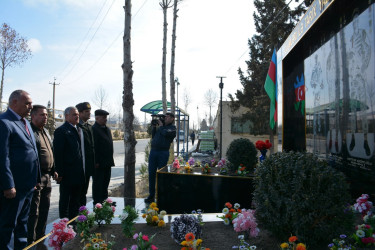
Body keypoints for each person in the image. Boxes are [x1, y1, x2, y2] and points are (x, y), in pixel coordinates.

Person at [0, 90, 40, 249]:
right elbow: (3, 157)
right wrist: (8, 185)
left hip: (27, 185)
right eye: (27, 103)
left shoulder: (25, 122)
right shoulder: (4, 122)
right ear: (14, 102)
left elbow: (32, 152)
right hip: (14, 188)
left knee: (22, 224)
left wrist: (35, 179)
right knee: (8, 225)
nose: (31, 106)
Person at [27, 105, 58, 245]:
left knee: (44, 208)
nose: (45, 117)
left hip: (47, 177)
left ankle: (40, 237)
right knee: (34, 211)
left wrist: (53, 170)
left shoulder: (45, 131)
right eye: (41, 115)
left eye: (46, 115)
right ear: (33, 116)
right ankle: (31, 240)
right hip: (36, 178)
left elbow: (50, 152)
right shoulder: (29, 131)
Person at [53, 107, 85, 220]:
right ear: (66, 116)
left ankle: (73, 222)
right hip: (67, 174)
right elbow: (58, 154)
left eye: (77, 114)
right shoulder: (61, 131)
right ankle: (64, 224)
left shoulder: (78, 129)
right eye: (73, 114)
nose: (77, 116)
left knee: (75, 201)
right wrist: (60, 173)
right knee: (65, 201)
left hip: (78, 173)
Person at [145, 112, 176, 203]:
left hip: (163, 152)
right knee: (151, 174)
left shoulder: (172, 128)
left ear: (172, 119)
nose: (165, 118)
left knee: (161, 175)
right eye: (164, 116)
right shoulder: (161, 127)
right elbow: (154, 136)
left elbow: (166, 134)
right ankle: (151, 196)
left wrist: (161, 126)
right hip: (153, 152)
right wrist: (154, 127)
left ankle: (161, 196)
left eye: (167, 117)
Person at [92, 109, 114, 205]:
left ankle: (105, 201)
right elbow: (93, 147)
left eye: (106, 117)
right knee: (98, 184)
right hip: (99, 164)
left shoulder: (107, 129)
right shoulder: (93, 129)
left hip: (107, 162)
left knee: (105, 183)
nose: (105, 119)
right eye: (103, 117)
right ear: (97, 118)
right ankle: (97, 203)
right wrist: (95, 161)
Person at [75, 102, 95, 206]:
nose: (89, 113)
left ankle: (82, 213)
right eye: (86, 111)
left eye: (89, 111)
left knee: (84, 192)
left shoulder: (88, 126)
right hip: (79, 166)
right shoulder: (77, 127)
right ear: (80, 113)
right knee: (78, 193)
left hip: (87, 166)